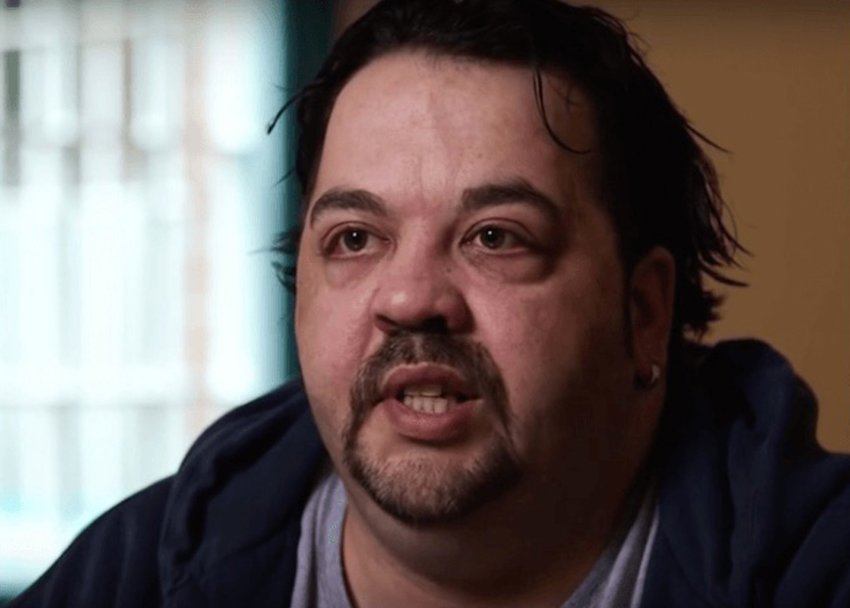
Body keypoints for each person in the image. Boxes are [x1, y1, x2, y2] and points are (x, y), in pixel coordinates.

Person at [12, 0, 850, 606]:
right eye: (354, 238)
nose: (411, 299)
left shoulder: (818, 564)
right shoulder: (134, 575)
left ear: (644, 311)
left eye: (496, 236)